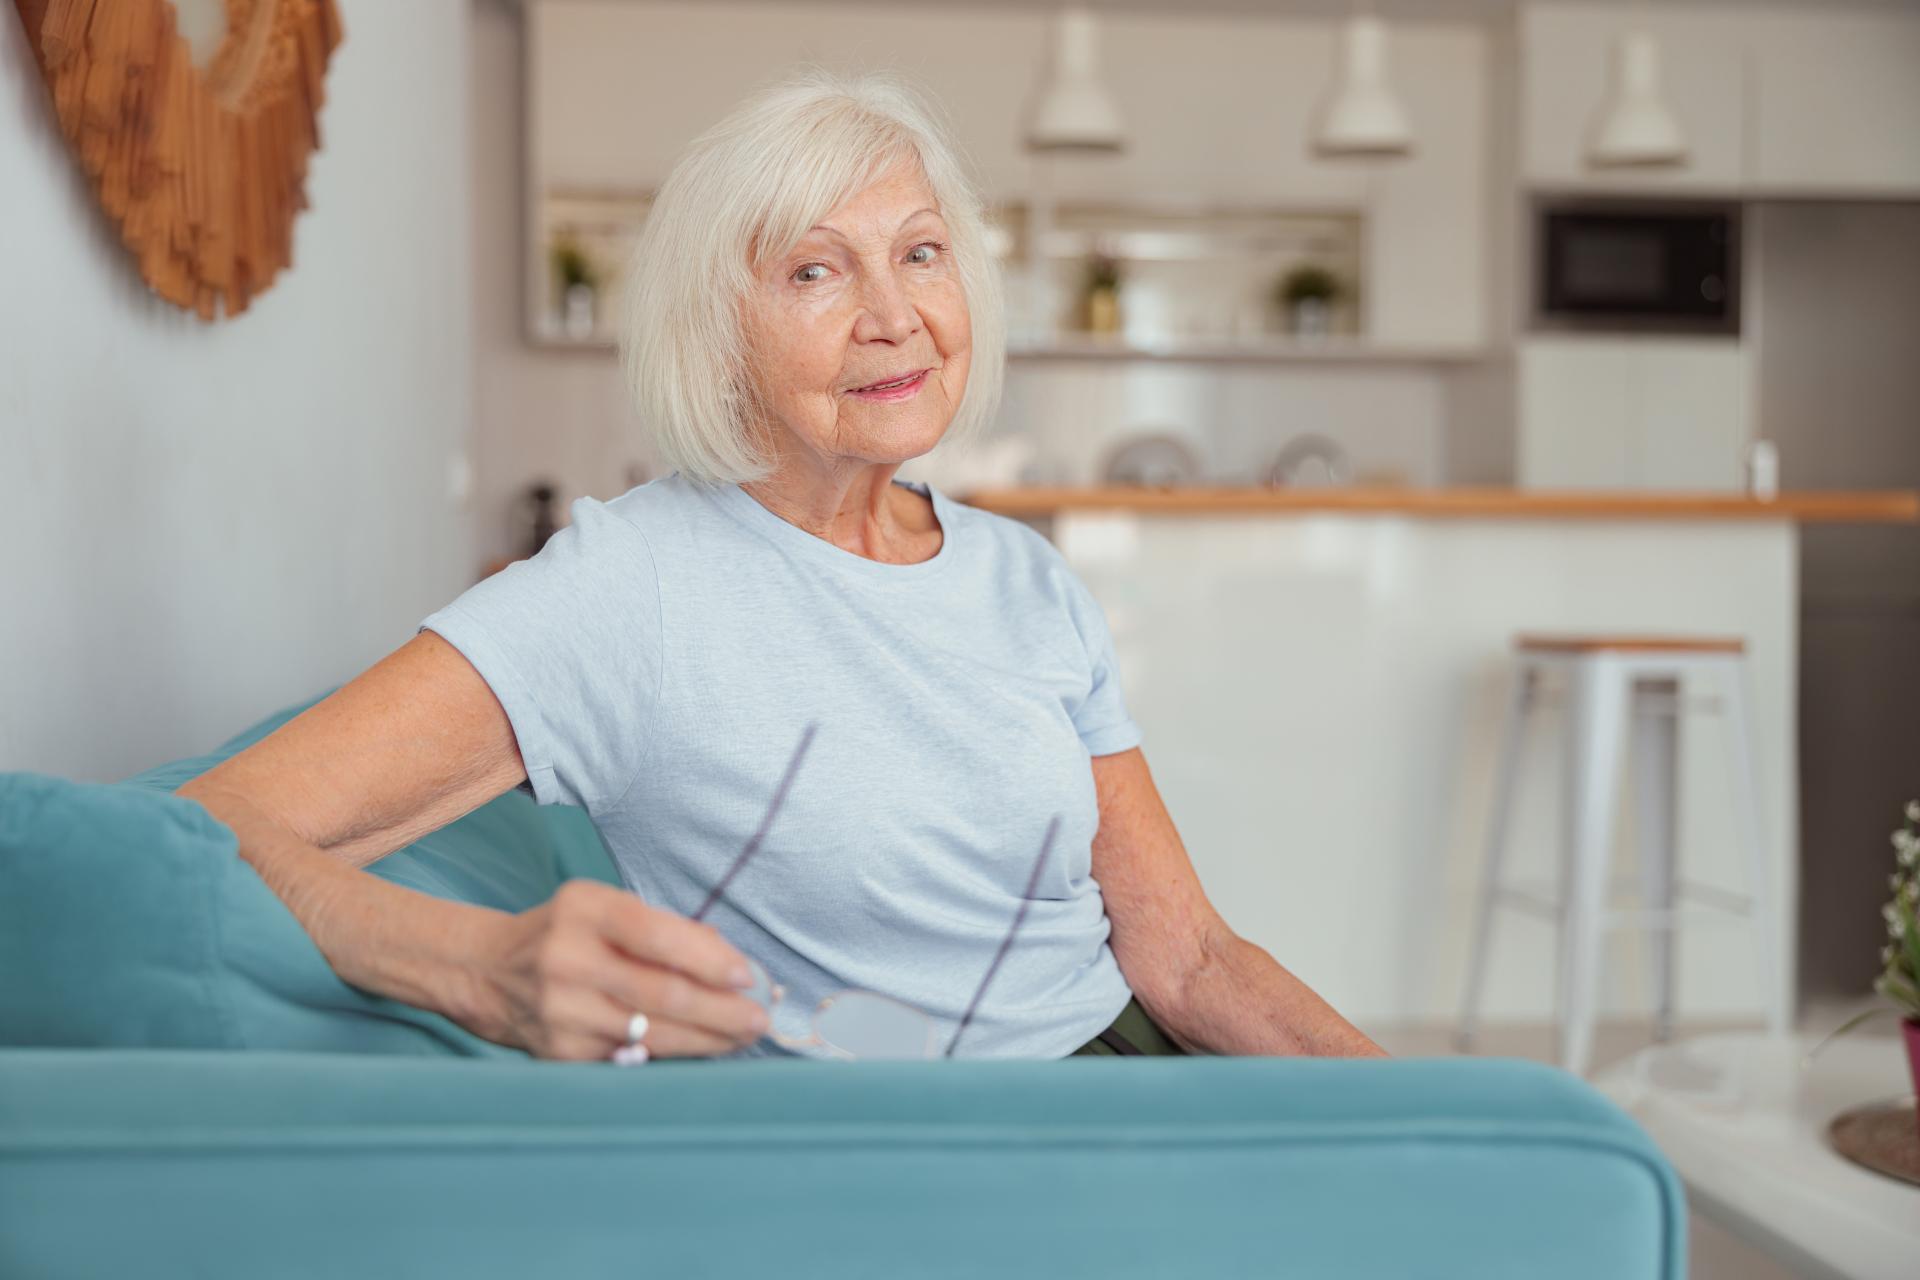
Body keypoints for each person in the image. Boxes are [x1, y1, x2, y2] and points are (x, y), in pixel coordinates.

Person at [177, 70, 1386, 1065]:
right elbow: (207, 830)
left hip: (1128, 1070)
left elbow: (1188, 960)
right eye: (815, 270)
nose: (892, 314)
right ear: (716, 337)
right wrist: (476, 965)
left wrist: (1434, 1114)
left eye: (920, 253)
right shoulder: (627, 584)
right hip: (885, 1138)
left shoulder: (1027, 578)